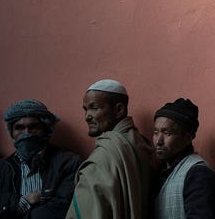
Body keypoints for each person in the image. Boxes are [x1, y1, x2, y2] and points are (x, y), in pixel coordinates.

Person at [66, 79, 157, 219]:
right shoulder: (143, 144)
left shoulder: (103, 156)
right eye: (86, 109)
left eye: (94, 107)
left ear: (119, 110)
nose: (87, 116)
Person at [0, 99, 82, 218]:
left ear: (46, 130)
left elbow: (62, 207)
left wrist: (11, 210)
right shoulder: (1, 167)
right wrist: (24, 201)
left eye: (33, 127)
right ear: (11, 133)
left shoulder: (69, 163)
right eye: (19, 128)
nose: (27, 133)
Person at [153, 98, 215, 219]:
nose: (158, 141)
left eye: (167, 133)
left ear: (187, 138)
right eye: (156, 132)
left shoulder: (198, 173)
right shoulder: (160, 170)